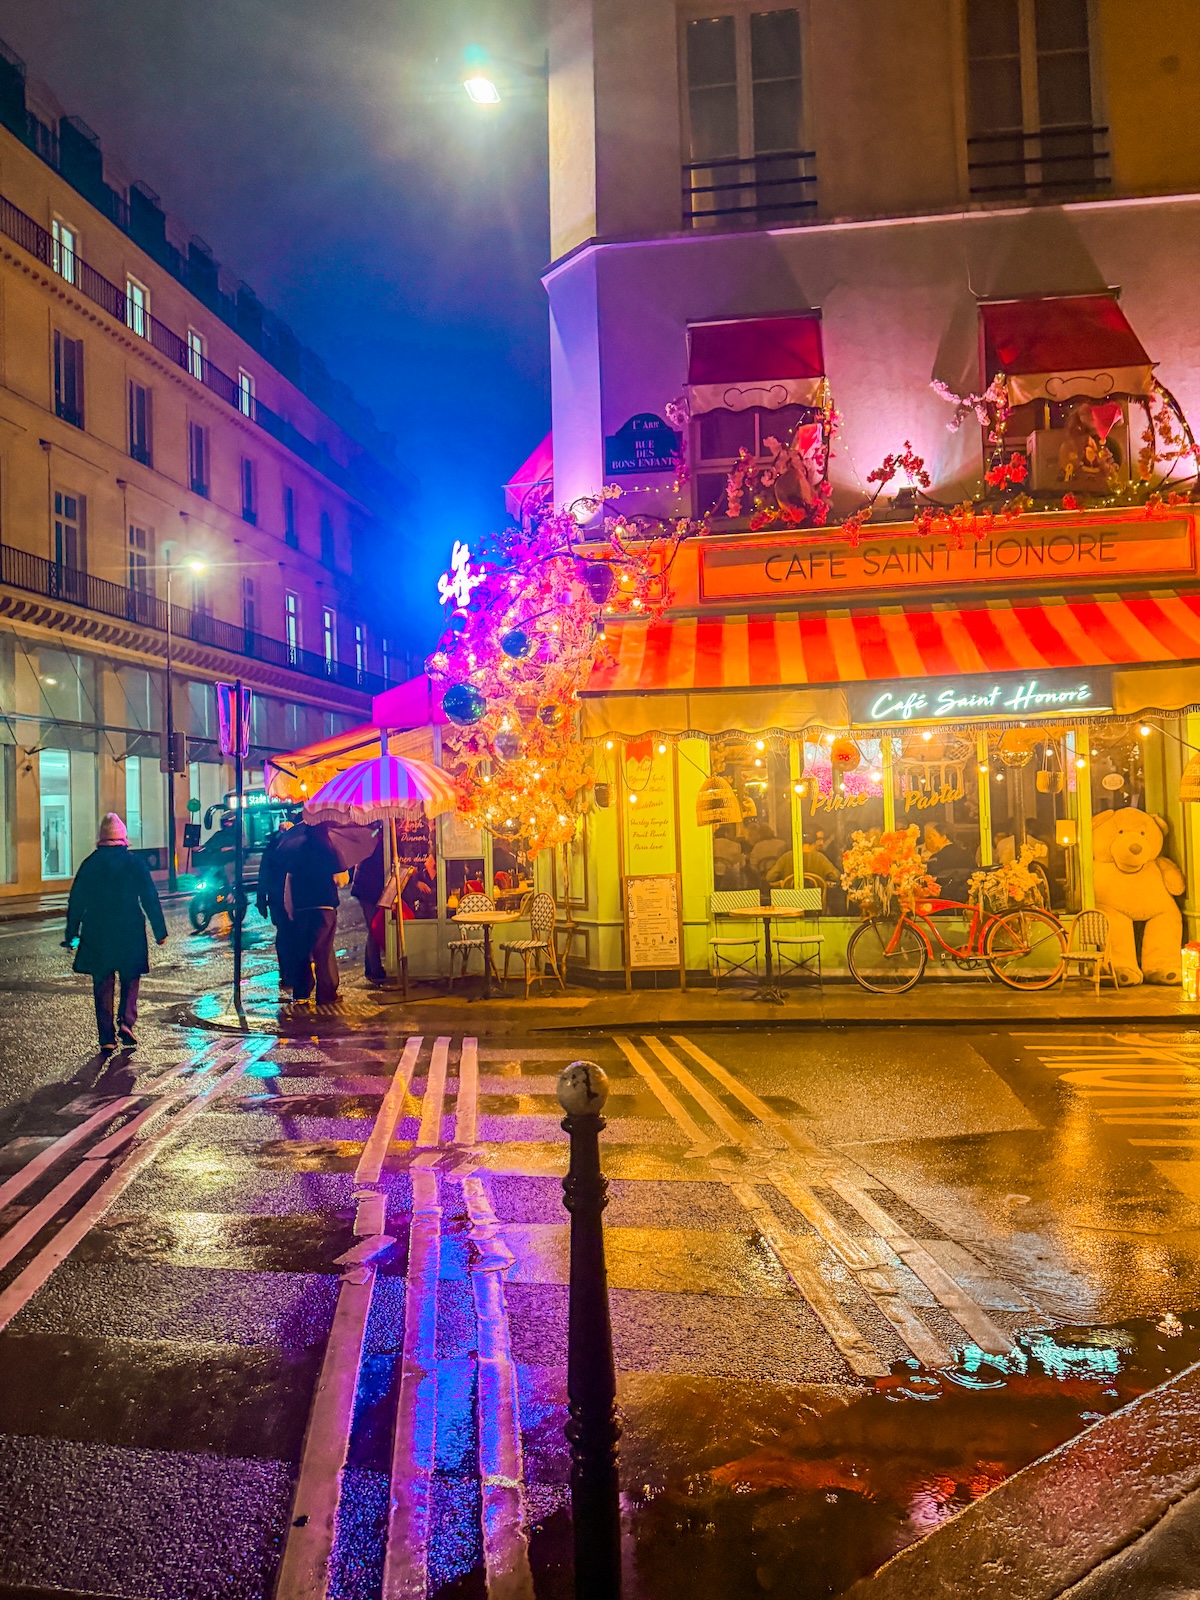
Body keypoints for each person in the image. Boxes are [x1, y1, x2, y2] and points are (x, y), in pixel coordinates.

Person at [64, 812, 167, 1055]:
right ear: (123, 839)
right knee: (131, 977)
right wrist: (159, 931)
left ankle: (106, 1037)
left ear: (101, 839)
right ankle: (126, 1021)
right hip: (129, 927)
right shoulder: (134, 863)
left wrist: (71, 933)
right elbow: (149, 897)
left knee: (103, 982)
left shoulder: (90, 864)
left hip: (98, 929)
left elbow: (76, 901)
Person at [285, 824, 346, 1005]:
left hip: (302, 907)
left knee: (303, 950)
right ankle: (326, 994)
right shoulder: (329, 849)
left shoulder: (297, 851)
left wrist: (290, 908)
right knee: (323, 951)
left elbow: (289, 880)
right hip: (324, 906)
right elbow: (341, 879)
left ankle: (302, 991)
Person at [256, 818, 296, 996]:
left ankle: (288, 972)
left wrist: (261, 899)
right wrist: (261, 899)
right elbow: (264, 873)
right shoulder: (284, 847)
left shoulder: (275, 847)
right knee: (288, 934)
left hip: (281, 897)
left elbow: (263, 873)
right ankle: (289, 972)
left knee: (285, 934)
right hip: (282, 898)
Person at [350, 829, 387, 983]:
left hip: (367, 889)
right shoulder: (376, 845)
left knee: (373, 928)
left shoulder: (374, 841)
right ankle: (375, 969)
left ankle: (370, 967)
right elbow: (376, 870)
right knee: (374, 928)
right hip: (368, 891)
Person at [924, 823, 974, 903]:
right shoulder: (966, 855)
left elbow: (930, 882)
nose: (931, 838)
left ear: (944, 837)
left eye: (934, 835)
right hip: (965, 901)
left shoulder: (936, 858)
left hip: (943, 902)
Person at [401, 852, 438, 919]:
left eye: (429, 859)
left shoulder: (440, 875)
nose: (425, 863)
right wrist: (417, 883)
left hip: (435, 912)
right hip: (418, 911)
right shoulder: (421, 873)